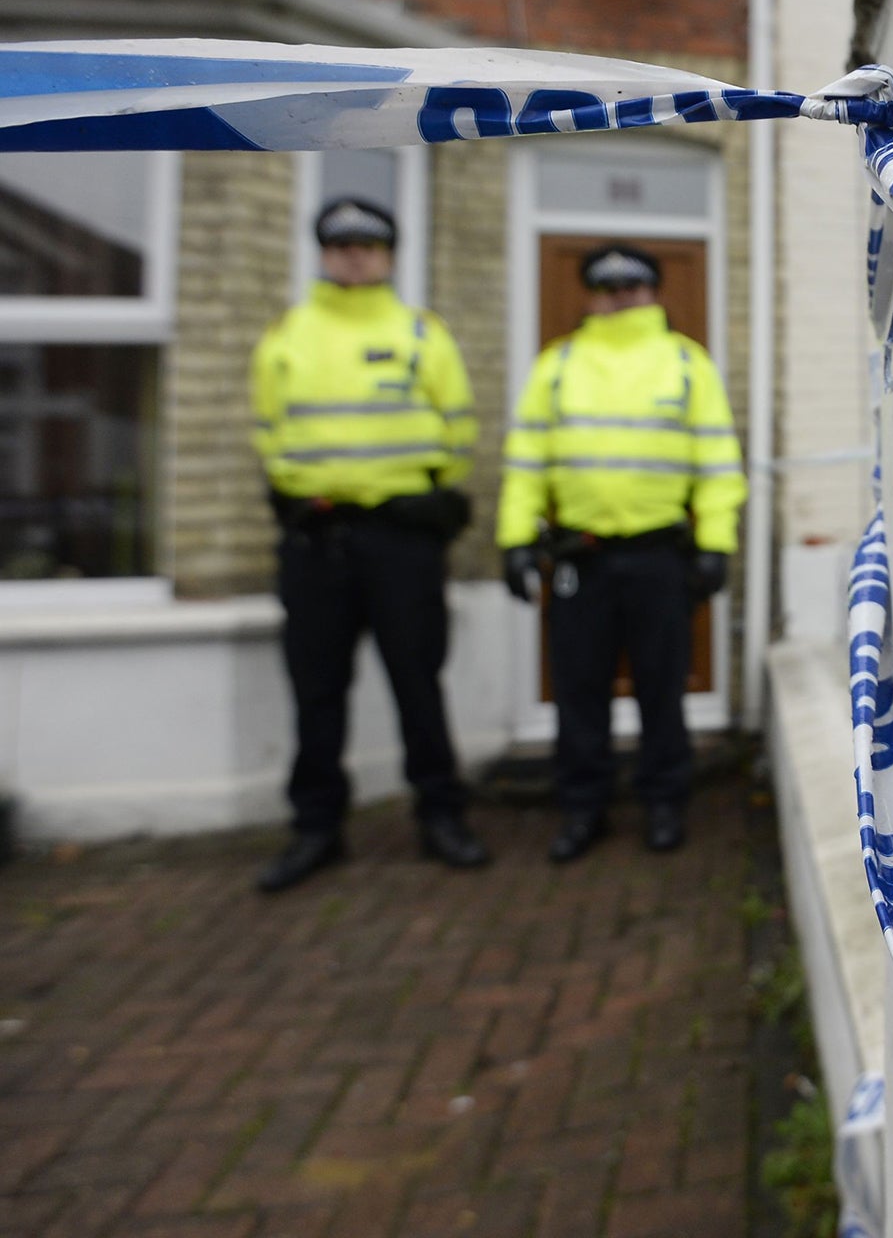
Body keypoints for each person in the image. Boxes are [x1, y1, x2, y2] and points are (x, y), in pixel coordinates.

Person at [249, 198, 489, 892]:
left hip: (401, 540)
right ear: (322, 253)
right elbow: (270, 433)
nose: (355, 255)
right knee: (316, 691)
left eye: (369, 244)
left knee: (418, 681)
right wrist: (293, 494)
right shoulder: (286, 336)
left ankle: (442, 817)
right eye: (342, 244)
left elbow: (459, 429)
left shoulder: (423, 334)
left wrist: (426, 497)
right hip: (317, 542)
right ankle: (315, 829)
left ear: (391, 254)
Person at [498, 242, 745, 863]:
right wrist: (516, 538)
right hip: (580, 560)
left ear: (653, 291)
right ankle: (584, 808)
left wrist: (715, 543)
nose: (618, 299)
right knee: (579, 691)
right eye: (607, 289)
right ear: (590, 294)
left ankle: (665, 802)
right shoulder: (557, 366)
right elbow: (526, 462)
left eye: (631, 288)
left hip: (660, 557)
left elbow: (718, 463)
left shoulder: (687, 365)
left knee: (662, 687)